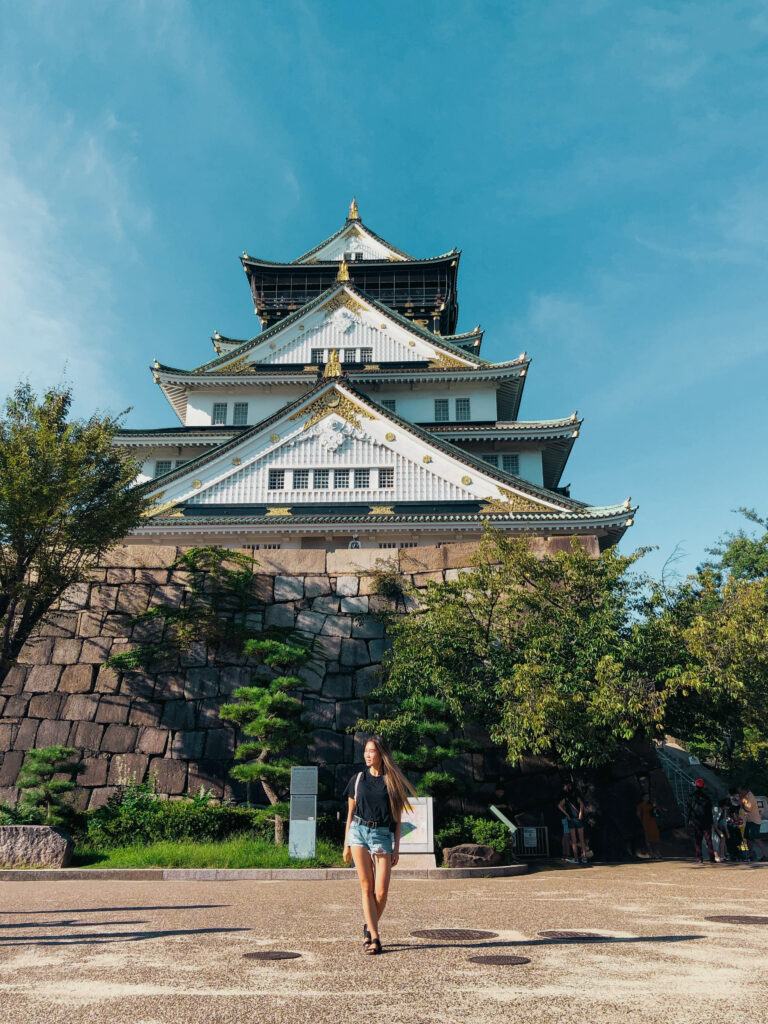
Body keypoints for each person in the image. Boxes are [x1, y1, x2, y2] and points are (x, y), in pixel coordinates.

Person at [343, 735, 417, 955]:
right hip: (358, 833)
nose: (367, 755)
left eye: (372, 751)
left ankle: (369, 924)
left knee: (381, 891)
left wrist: (396, 848)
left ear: (381, 754)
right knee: (366, 887)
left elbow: (397, 819)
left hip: (382, 835)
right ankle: (374, 936)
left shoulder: (392, 782)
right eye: (366, 750)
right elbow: (350, 813)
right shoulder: (358, 779)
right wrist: (346, 843)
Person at [686, 778, 716, 863]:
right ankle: (711, 858)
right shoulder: (707, 798)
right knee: (709, 840)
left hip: (696, 821)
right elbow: (709, 811)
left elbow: (688, 809)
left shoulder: (691, 797)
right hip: (706, 821)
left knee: (698, 840)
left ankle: (699, 858)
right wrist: (711, 821)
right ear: (703, 787)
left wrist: (688, 819)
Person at [737, 784, 768, 862]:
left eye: (740, 791)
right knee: (748, 838)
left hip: (754, 821)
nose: (739, 793)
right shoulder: (745, 796)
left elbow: (748, 809)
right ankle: (751, 855)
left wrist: (742, 804)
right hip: (749, 820)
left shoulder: (750, 797)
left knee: (757, 838)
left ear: (745, 790)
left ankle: (765, 855)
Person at [558, 784, 588, 864]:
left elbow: (559, 806)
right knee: (581, 839)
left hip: (571, 819)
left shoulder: (566, 799)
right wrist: (580, 814)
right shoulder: (577, 797)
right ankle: (584, 858)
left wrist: (567, 814)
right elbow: (581, 804)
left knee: (574, 840)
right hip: (578, 819)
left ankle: (576, 859)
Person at [636, 793, 661, 859]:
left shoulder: (650, 805)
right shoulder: (640, 805)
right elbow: (638, 814)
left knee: (655, 836)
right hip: (645, 822)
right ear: (642, 798)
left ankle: (656, 852)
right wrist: (641, 821)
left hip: (652, 822)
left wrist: (655, 806)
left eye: (648, 797)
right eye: (646, 797)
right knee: (647, 837)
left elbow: (655, 812)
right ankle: (651, 853)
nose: (647, 798)